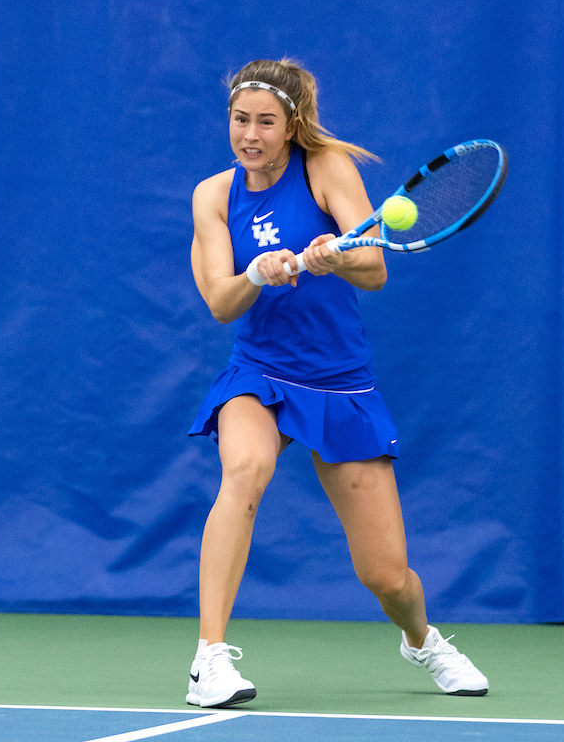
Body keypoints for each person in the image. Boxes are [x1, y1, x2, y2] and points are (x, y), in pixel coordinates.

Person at [185, 58, 488, 708]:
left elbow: (375, 269)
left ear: (292, 125)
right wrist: (258, 275)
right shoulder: (213, 195)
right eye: (241, 120)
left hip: (338, 382)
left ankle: (422, 640)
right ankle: (208, 659)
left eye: (266, 122)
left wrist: (334, 254)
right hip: (260, 372)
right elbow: (219, 300)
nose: (251, 135)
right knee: (244, 471)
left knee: (387, 576)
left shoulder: (326, 171)